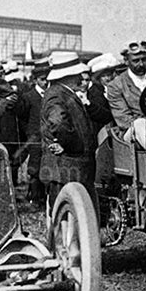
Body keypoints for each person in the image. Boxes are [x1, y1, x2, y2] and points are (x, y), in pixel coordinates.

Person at [39, 52, 97, 204]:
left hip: (70, 167)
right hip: (65, 167)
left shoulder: (63, 92)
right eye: (78, 74)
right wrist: (71, 146)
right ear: (70, 75)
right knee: (65, 214)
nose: (81, 77)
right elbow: (58, 122)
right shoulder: (57, 94)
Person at [15, 58, 49, 206]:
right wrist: (30, 132)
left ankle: (44, 195)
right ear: (35, 80)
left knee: (47, 164)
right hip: (34, 136)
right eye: (42, 80)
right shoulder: (29, 96)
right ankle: (35, 196)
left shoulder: (50, 95)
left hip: (48, 136)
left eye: (47, 79)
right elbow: (22, 117)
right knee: (35, 165)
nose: (45, 82)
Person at [106, 40, 146, 137]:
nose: (141, 64)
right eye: (135, 61)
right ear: (126, 61)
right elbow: (123, 119)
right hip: (132, 133)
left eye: (144, 59)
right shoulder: (116, 86)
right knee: (141, 128)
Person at [85, 53, 120, 133]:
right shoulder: (94, 93)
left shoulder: (113, 89)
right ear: (98, 77)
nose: (108, 78)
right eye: (104, 76)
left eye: (110, 74)